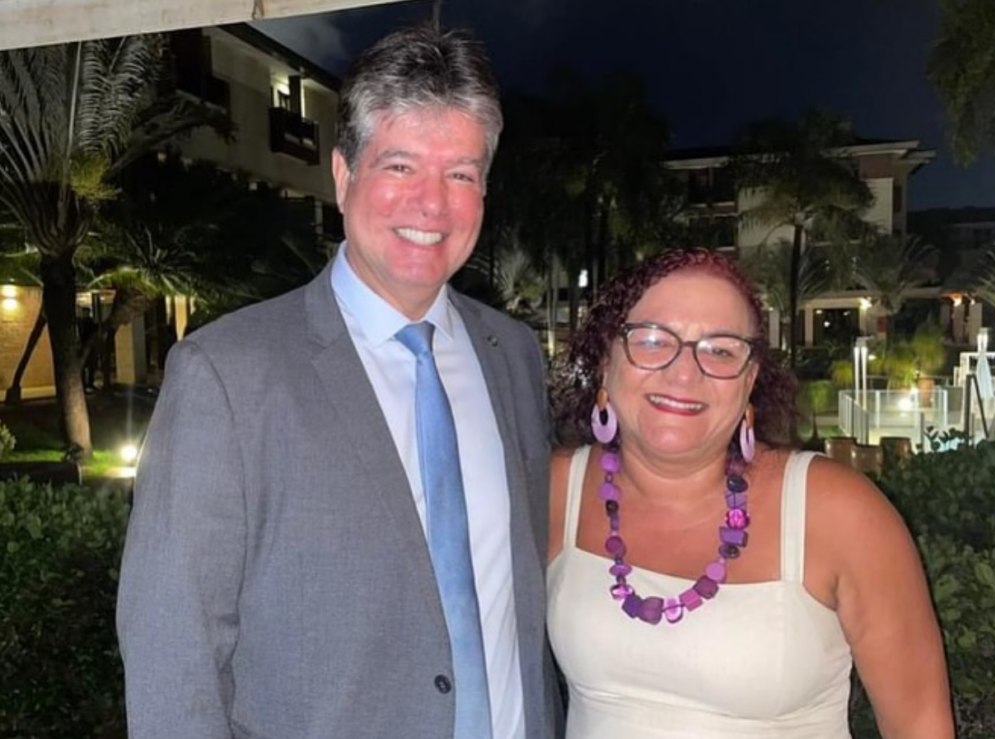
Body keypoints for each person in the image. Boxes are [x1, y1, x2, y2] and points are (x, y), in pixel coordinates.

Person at [117, 24, 562, 739]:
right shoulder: (226, 376)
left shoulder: (511, 355)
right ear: (343, 175)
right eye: (400, 166)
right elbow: (174, 657)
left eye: (460, 174)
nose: (432, 204)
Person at [547, 248, 953, 738]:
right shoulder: (555, 490)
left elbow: (920, 726)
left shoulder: (837, 512)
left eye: (720, 350)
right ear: (604, 360)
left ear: (750, 378)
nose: (684, 372)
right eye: (652, 340)